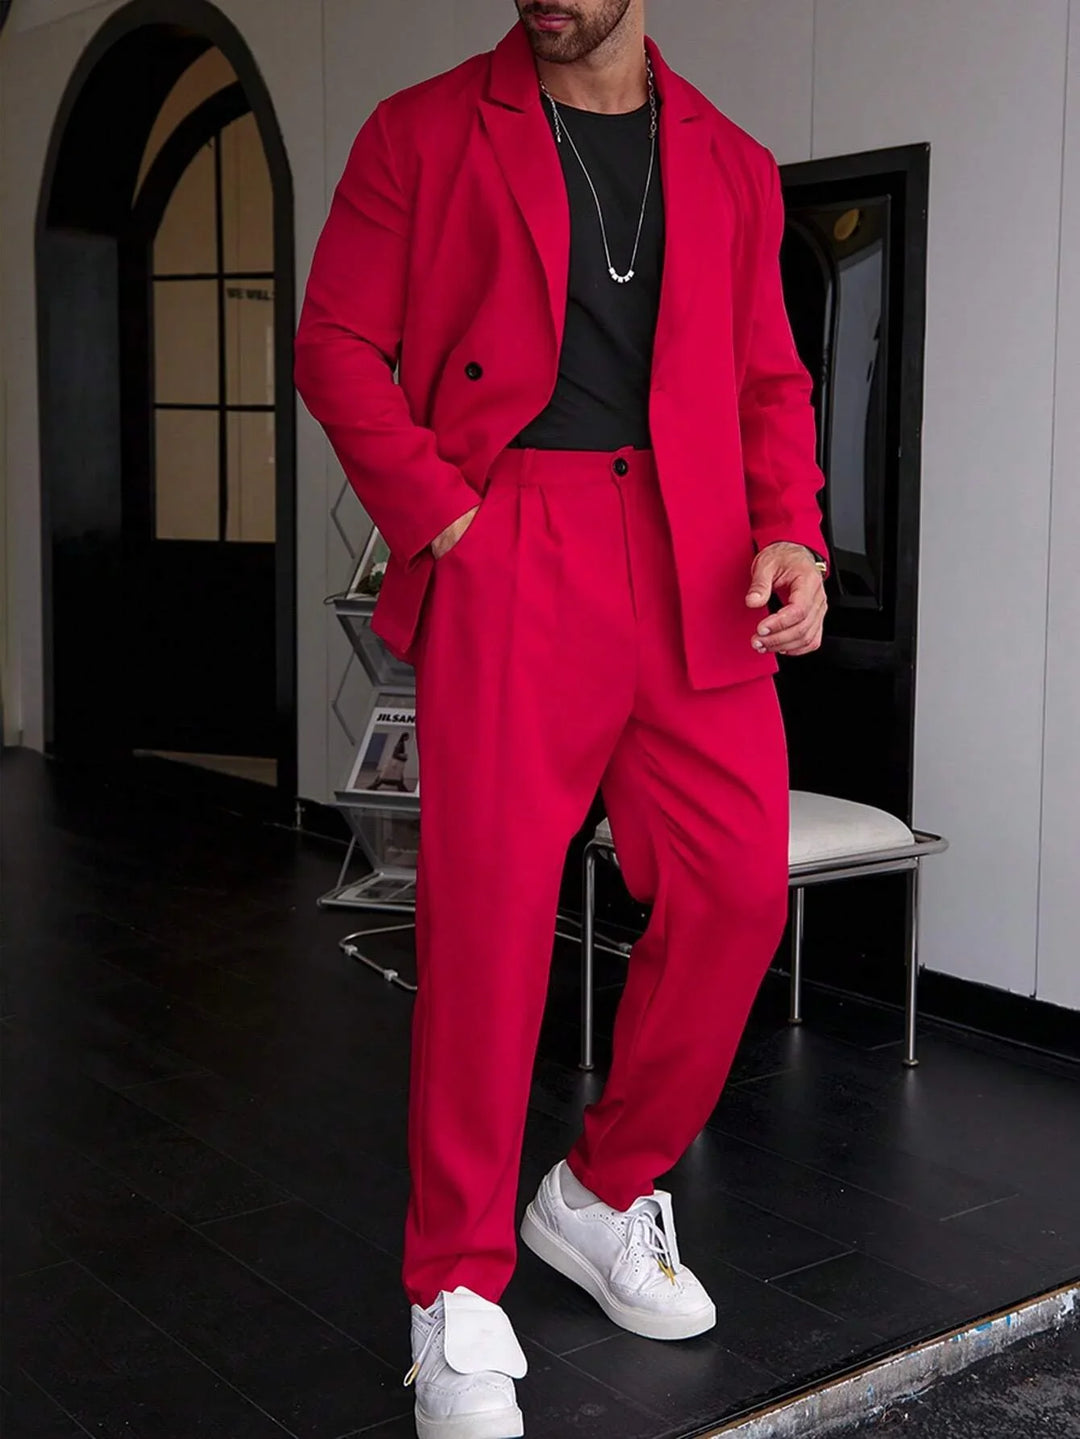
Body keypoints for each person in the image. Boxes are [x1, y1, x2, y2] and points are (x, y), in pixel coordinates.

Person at [295, 2, 829, 1434]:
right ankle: (454, 1289)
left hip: (698, 554)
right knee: (489, 924)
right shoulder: (420, 132)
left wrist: (795, 535)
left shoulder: (734, 161)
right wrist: (445, 516)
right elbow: (336, 339)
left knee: (731, 890)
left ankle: (595, 1194)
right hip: (512, 533)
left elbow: (769, 379)